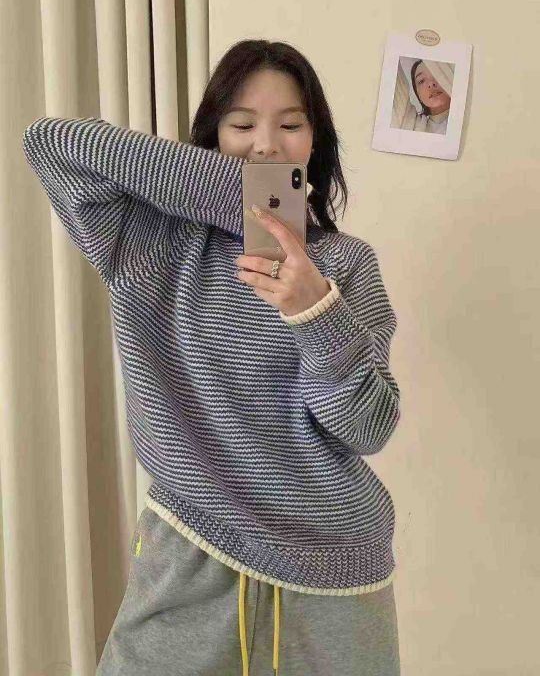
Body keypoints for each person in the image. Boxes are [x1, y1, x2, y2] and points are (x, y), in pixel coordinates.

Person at [22, 39, 401, 675]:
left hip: (332, 572)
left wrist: (316, 310)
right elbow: (52, 141)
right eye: (242, 125)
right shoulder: (150, 243)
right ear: (212, 135)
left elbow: (369, 429)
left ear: (317, 140)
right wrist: (248, 197)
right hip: (191, 550)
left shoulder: (346, 264)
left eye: (291, 125)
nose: (266, 145)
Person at [410, 59, 451, 134]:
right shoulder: (414, 126)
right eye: (421, 81)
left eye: (437, 74)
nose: (431, 84)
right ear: (418, 95)